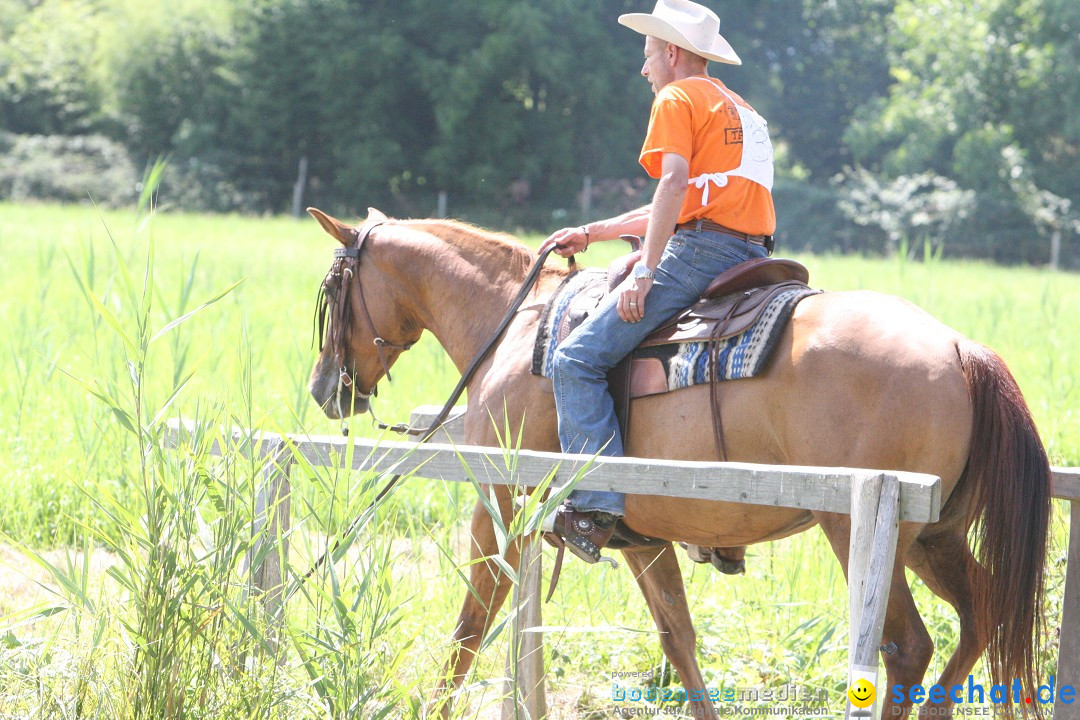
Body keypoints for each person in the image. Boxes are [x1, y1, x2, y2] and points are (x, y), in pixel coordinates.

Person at [539, 0, 776, 564]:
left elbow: (672, 185)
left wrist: (643, 271)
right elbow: (693, 199)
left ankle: (595, 508)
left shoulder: (677, 97)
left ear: (671, 52)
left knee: (575, 360)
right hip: (751, 253)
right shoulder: (742, 109)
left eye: (647, 55)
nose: (644, 68)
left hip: (700, 252)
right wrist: (595, 231)